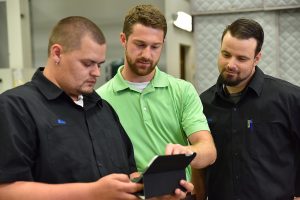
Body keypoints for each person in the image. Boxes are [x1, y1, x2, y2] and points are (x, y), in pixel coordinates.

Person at [0, 16, 193, 200]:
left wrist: (155, 191)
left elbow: (129, 174)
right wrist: (92, 193)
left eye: (99, 64)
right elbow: (5, 191)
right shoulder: (16, 107)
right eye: (87, 63)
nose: (97, 73)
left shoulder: (103, 109)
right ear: (57, 53)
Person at [97, 4, 217, 197]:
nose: (147, 54)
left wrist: (185, 153)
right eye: (140, 44)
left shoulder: (182, 91)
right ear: (123, 40)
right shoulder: (101, 100)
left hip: (177, 196)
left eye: (155, 47)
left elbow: (208, 151)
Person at [199, 18, 300, 200]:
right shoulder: (203, 103)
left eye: (241, 58)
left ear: (257, 58)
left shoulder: (290, 99)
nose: (231, 64)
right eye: (226, 54)